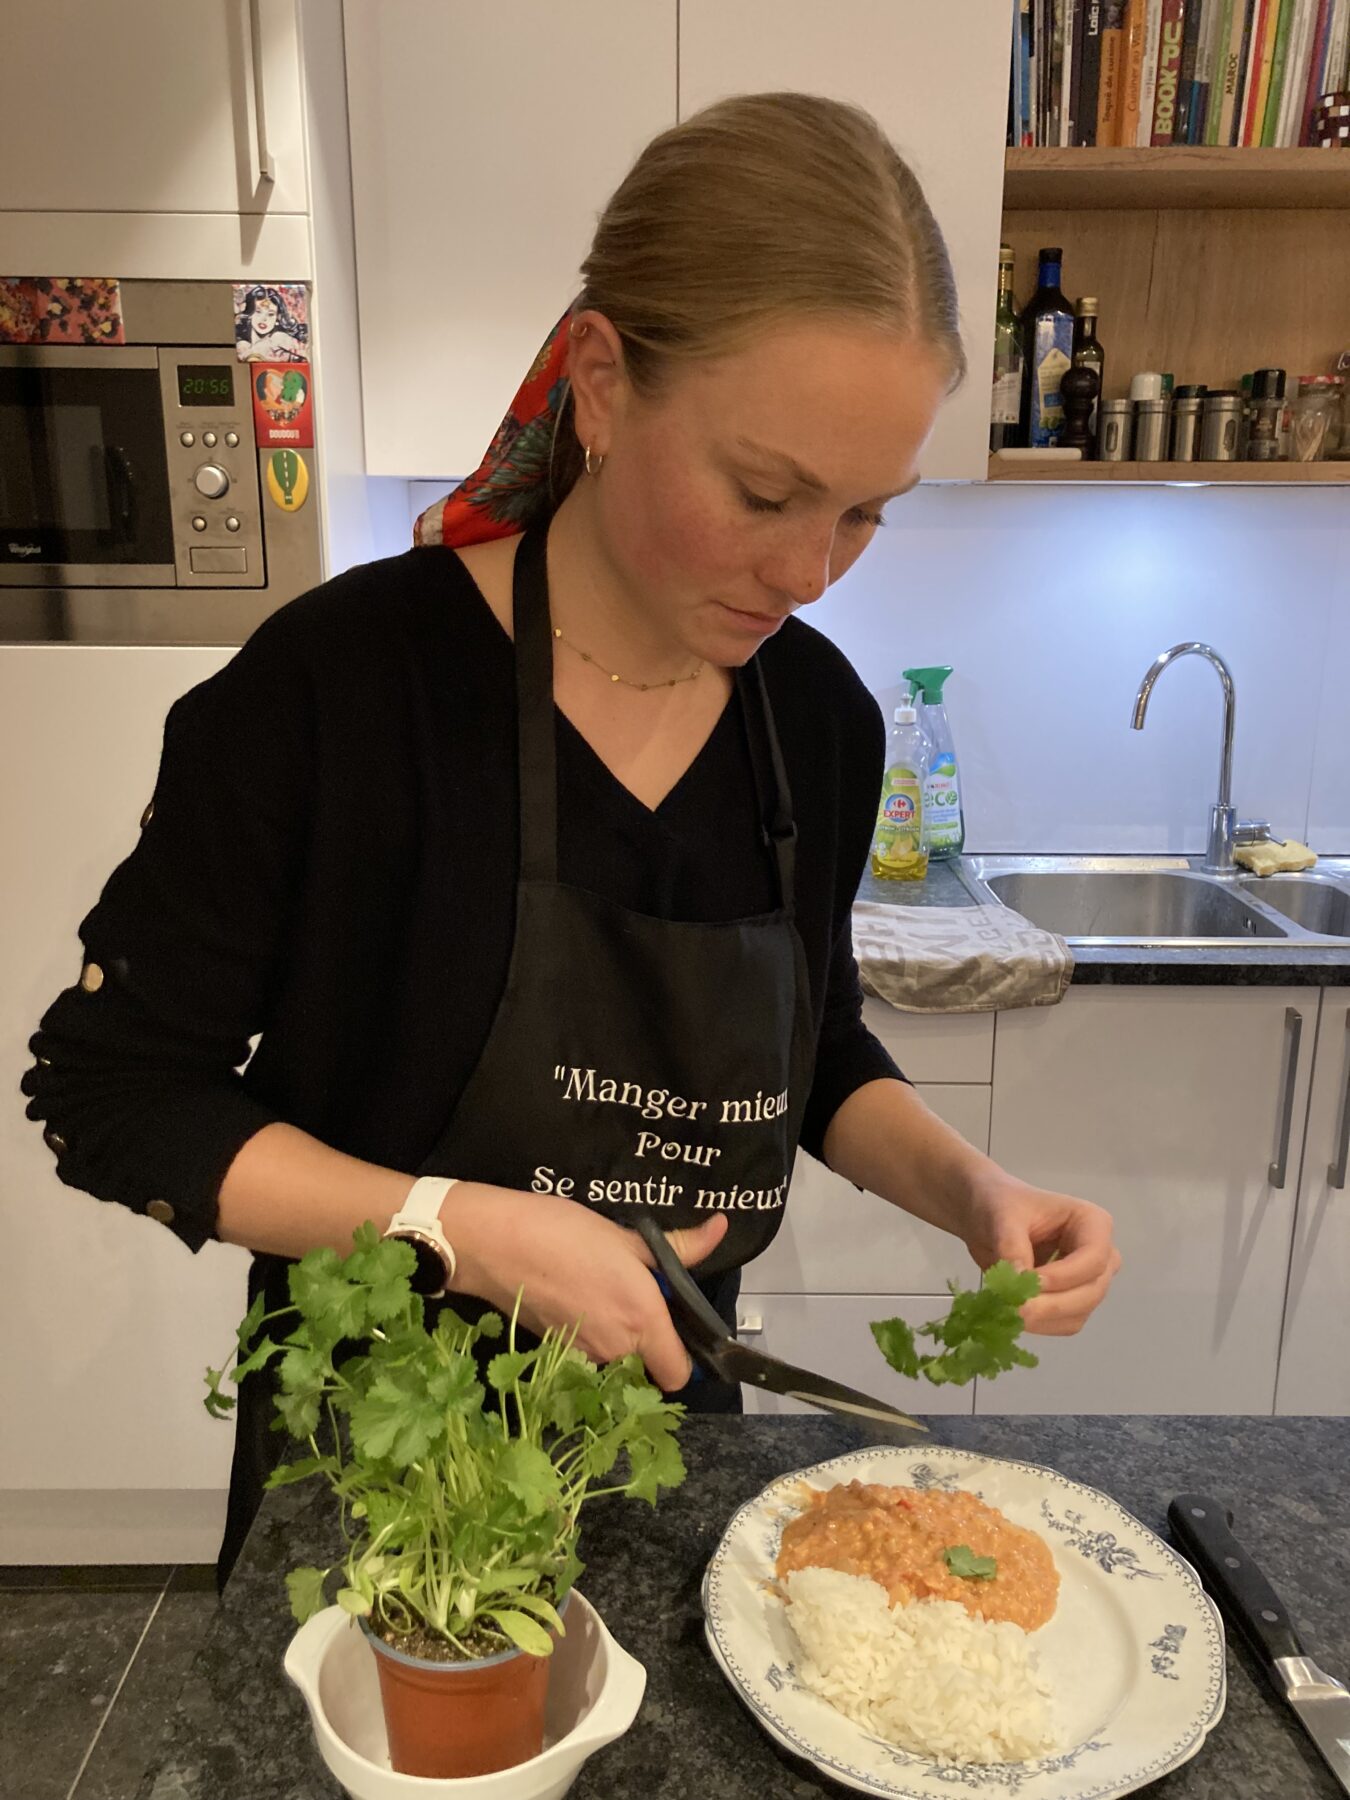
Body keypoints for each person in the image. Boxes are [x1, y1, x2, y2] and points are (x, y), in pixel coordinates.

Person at [23, 93, 1120, 1590]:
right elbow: (110, 1097)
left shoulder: (817, 719)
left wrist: (968, 1191)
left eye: (866, 513)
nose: (808, 574)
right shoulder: (338, 690)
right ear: (601, 385)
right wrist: (452, 1227)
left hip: (676, 1450)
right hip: (368, 1492)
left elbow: (814, 1054)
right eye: (763, 491)